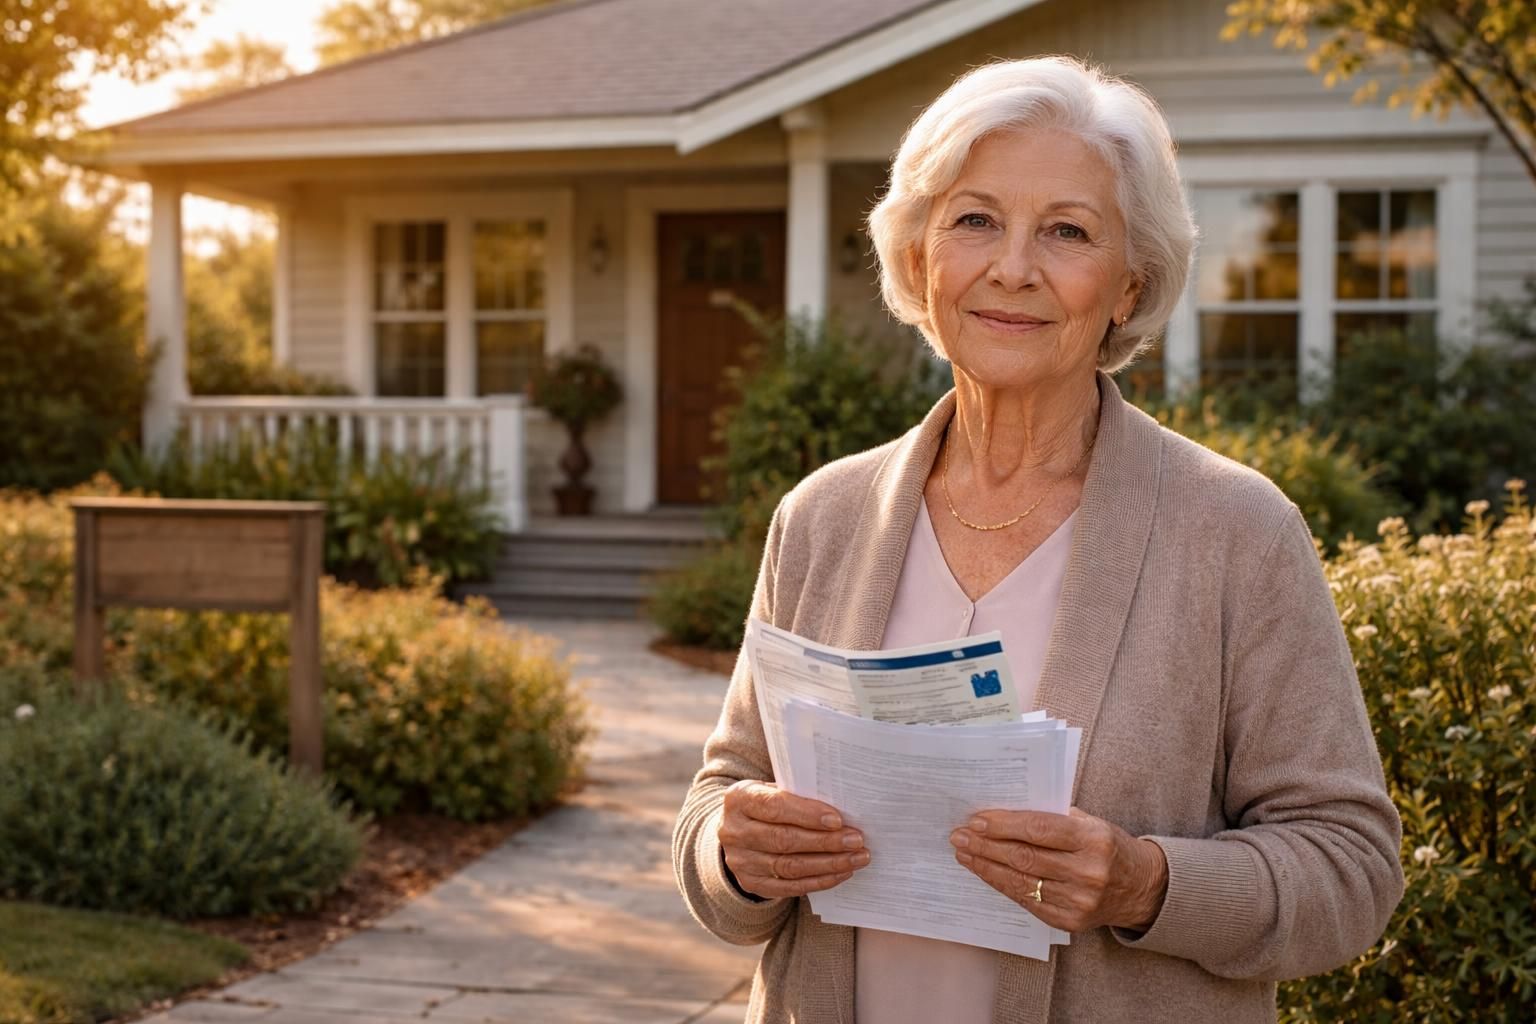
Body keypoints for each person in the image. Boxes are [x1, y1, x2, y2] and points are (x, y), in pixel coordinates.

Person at [671, 55, 1403, 1024]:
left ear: (1129, 282)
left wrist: (1146, 884)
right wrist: (731, 849)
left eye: (1067, 230)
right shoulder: (823, 515)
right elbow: (724, 790)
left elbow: (1350, 869)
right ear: (920, 255)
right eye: (975, 219)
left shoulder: (1236, 530)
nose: (1013, 266)